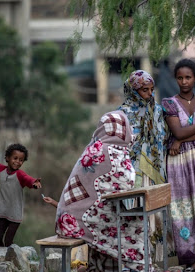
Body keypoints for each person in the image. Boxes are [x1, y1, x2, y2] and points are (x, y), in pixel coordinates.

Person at [45, 111, 148, 272]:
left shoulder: (97, 147)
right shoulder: (110, 151)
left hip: (68, 218)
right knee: (132, 226)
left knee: (121, 223)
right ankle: (139, 267)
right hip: (78, 221)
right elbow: (127, 182)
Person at [161, 59, 195, 272]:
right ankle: (189, 261)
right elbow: (179, 131)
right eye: (180, 78)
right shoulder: (169, 103)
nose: (184, 81)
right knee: (182, 208)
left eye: (188, 77)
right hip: (179, 162)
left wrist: (182, 140)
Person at [117, 70, 169, 261]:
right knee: (135, 215)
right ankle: (135, 259)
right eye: (144, 90)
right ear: (133, 91)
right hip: (133, 172)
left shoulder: (157, 111)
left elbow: (164, 137)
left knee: (154, 215)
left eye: (151, 89)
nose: (149, 94)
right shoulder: (122, 113)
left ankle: (153, 261)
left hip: (155, 171)